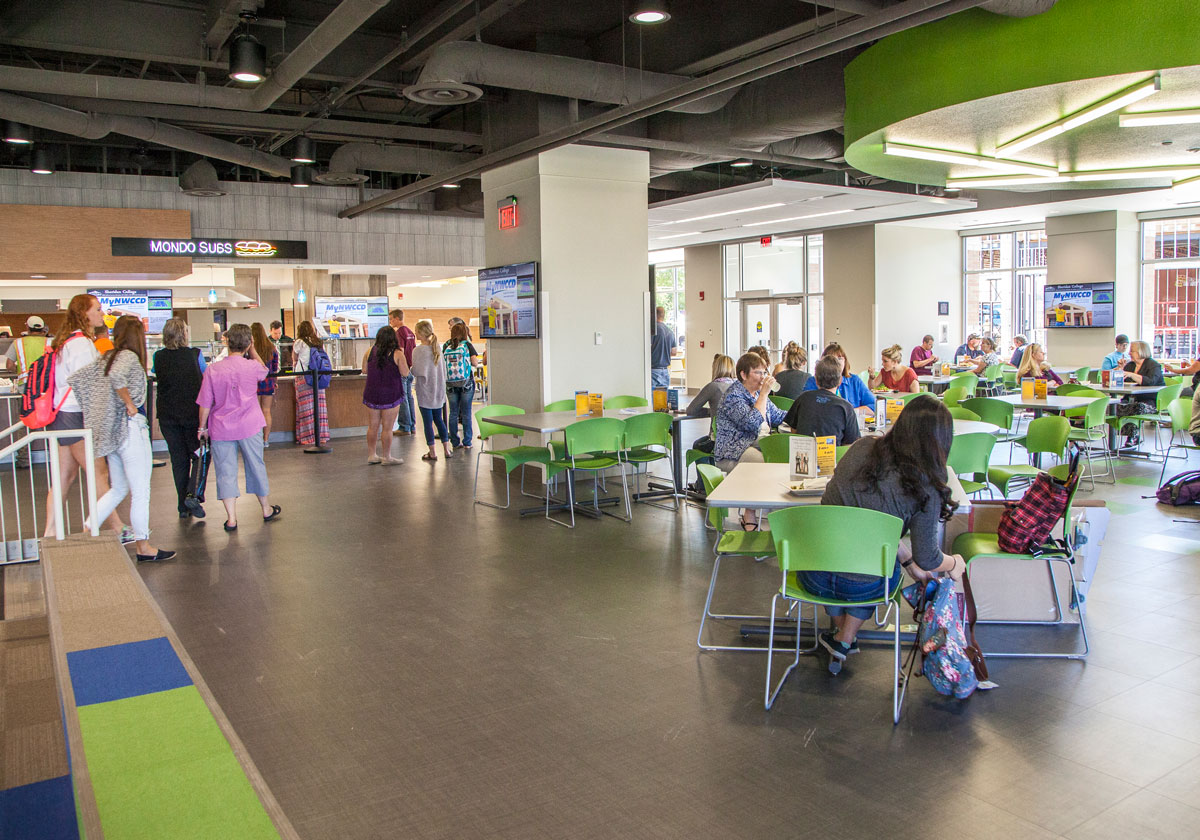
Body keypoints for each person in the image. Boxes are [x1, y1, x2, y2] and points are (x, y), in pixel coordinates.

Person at [804, 394, 965, 673]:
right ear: (941, 441)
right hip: (865, 586)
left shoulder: (862, 448)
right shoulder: (925, 485)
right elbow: (928, 559)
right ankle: (844, 638)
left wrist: (907, 561)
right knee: (875, 567)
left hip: (812, 574)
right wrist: (954, 563)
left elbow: (836, 511)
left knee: (860, 562)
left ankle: (842, 638)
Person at [70, 316, 174, 562]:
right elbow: (117, 378)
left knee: (119, 488)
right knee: (140, 491)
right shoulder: (127, 357)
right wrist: (129, 404)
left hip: (114, 432)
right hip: (131, 429)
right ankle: (143, 546)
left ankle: (89, 527)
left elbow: (78, 380)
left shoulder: (105, 357)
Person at [42, 295, 118, 538]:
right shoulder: (82, 344)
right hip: (76, 417)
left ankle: (50, 531)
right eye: (97, 309)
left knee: (65, 476)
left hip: (62, 415)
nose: (101, 313)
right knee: (98, 472)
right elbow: (87, 386)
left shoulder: (67, 341)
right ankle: (117, 526)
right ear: (84, 313)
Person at [196, 323, 280, 531]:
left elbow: (205, 403)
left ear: (227, 342)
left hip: (221, 428)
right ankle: (266, 508)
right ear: (248, 344)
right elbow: (264, 371)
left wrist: (201, 428)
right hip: (250, 425)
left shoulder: (213, 370)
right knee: (256, 465)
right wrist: (252, 350)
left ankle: (232, 518)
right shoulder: (252, 367)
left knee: (225, 471)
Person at [713, 353, 787, 530]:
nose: (763, 377)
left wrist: (800, 414)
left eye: (764, 372)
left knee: (784, 459)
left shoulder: (757, 394)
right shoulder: (734, 396)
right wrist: (763, 395)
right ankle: (750, 513)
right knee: (763, 465)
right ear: (743, 375)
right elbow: (752, 423)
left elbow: (777, 416)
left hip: (757, 445)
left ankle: (785, 515)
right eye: (758, 373)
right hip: (733, 451)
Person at [153, 318, 207, 518]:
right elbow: (206, 376)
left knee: (178, 460)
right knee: (200, 453)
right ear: (184, 334)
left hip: (167, 415)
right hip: (192, 413)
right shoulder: (195, 355)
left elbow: (157, 376)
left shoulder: (158, 357)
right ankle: (193, 494)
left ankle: (182, 506)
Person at [783, 355, 861, 445]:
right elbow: (852, 442)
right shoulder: (846, 407)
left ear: (816, 379)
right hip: (834, 457)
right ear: (840, 381)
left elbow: (794, 430)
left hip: (804, 455)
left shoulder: (803, 399)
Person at [360, 325, 409, 465]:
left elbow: (364, 370)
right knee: (387, 428)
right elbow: (405, 373)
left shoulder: (369, 351)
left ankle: (372, 455)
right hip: (391, 394)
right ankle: (387, 457)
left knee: (372, 426)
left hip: (372, 393)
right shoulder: (398, 353)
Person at [4, 316, 49, 469]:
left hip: (26, 389)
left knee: (24, 423)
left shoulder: (17, 343)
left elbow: (9, 365)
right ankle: (56, 454)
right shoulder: (49, 342)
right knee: (51, 421)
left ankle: (24, 459)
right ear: (43, 329)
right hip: (47, 388)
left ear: (27, 328)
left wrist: (19, 370)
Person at [412, 319, 453, 462]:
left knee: (427, 423)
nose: (415, 333)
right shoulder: (438, 349)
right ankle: (447, 449)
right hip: (438, 390)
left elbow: (416, 371)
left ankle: (432, 452)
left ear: (420, 333)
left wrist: (409, 370)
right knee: (439, 421)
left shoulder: (418, 351)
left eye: (416, 331)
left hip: (425, 391)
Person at [1114, 340, 1165, 448]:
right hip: (1131, 398)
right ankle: (1128, 435)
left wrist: (1132, 375)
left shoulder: (1153, 365)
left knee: (1136, 407)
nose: (1129, 353)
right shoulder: (1130, 365)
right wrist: (1120, 369)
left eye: (1132, 351)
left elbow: (1150, 381)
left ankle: (1133, 436)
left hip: (1152, 402)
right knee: (1114, 406)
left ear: (1141, 352)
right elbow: (1118, 381)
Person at [800, 342, 875, 412]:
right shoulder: (813, 382)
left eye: (840, 359)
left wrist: (849, 413)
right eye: (831, 359)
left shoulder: (855, 381)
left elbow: (874, 406)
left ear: (845, 361)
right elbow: (806, 407)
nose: (836, 362)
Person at [293, 320, 329, 449]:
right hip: (318, 377)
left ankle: (308, 437)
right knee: (319, 408)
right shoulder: (318, 342)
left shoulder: (299, 342)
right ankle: (322, 436)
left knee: (306, 409)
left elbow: (294, 359)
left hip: (304, 377)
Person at [443, 322, 480, 449]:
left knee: (453, 412)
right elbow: (475, 363)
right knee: (466, 413)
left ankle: (454, 441)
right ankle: (467, 442)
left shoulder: (446, 345)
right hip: (466, 383)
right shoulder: (467, 345)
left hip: (450, 384)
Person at [388, 309, 418, 436]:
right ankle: (411, 425)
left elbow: (400, 350)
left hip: (403, 368)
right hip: (410, 368)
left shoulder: (399, 332)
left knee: (403, 398)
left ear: (396, 318)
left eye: (391, 319)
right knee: (409, 397)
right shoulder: (410, 331)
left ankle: (404, 426)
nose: (390, 322)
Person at [251, 323, 279, 447]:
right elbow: (274, 368)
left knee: (254, 411)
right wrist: (275, 382)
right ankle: (266, 440)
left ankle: (256, 438)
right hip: (268, 382)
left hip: (254, 383)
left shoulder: (251, 348)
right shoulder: (271, 347)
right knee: (266, 411)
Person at [687, 354, 736, 418]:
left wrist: (710, 411)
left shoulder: (713, 387)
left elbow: (691, 410)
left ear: (716, 368)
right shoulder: (740, 387)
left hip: (718, 427)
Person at [650, 306, 678, 389]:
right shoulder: (670, 332)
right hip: (665, 371)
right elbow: (674, 352)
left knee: (651, 399)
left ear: (654, 315)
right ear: (663, 316)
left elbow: (648, 348)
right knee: (662, 399)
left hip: (653, 370)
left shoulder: (653, 330)